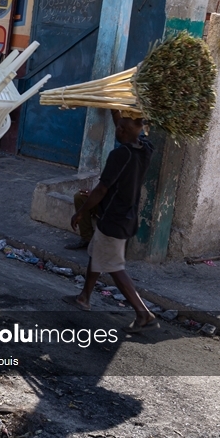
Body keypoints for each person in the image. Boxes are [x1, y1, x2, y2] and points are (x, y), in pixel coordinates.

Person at [66, 110, 157, 333]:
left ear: (123, 131)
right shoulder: (145, 148)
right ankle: (84, 297)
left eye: (120, 127)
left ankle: (143, 313)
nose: (118, 128)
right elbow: (126, 127)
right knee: (98, 252)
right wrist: (112, 106)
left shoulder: (119, 155)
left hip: (114, 218)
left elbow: (102, 189)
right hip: (127, 215)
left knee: (115, 266)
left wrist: (81, 212)